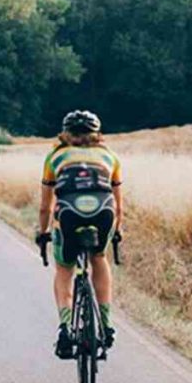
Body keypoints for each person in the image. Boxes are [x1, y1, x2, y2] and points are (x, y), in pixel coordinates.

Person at [35, 110, 123, 359]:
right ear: (97, 133)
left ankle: (65, 328)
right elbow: (119, 204)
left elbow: (45, 206)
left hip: (69, 214)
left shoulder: (55, 156)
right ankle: (106, 325)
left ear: (65, 133)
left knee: (64, 269)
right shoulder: (109, 156)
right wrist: (116, 230)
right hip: (104, 212)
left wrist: (43, 232)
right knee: (99, 258)